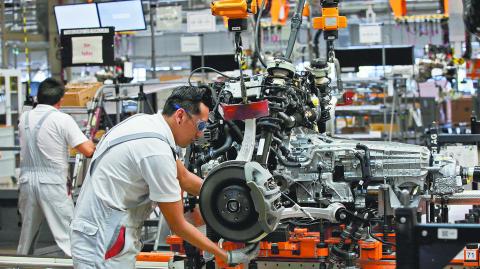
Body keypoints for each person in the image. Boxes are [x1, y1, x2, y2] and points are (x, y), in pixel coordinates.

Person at [70, 86, 259, 268]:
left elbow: (184, 177)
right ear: (180, 116)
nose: (200, 134)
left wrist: (232, 194)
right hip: (102, 243)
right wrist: (225, 255)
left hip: (101, 232)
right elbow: (178, 225)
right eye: (200, 125)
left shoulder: (147, 124)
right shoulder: (156, 151)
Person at [17, 78, 95, 256]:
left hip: (27, 183)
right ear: (61, 99)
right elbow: (87, 150)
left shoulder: (24, 117)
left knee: (26, 238)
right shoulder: (62, 119)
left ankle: (19, 265)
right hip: (52, 184)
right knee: (68, 236)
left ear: (38, 96)